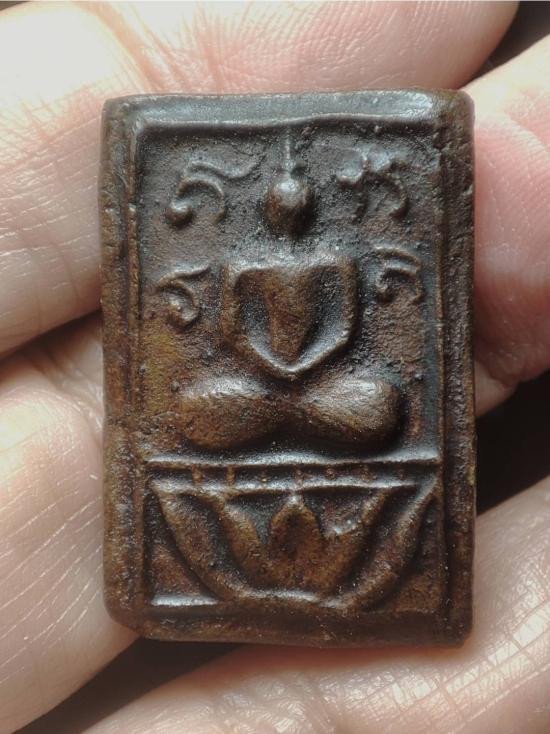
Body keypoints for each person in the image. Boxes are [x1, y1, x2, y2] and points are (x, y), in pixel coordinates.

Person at [0, 2, 548, 732]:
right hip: (260, 387)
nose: (289, 212)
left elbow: (344, 333)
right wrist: (276, 375)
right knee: (195, 408)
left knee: (379, 405)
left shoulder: (335, 260)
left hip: (322, 385)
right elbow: (235, 337)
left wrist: (302, 373)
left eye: (297, 204)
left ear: (306, 208)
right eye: (280, 205)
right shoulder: (246, 266)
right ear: (271, 210)